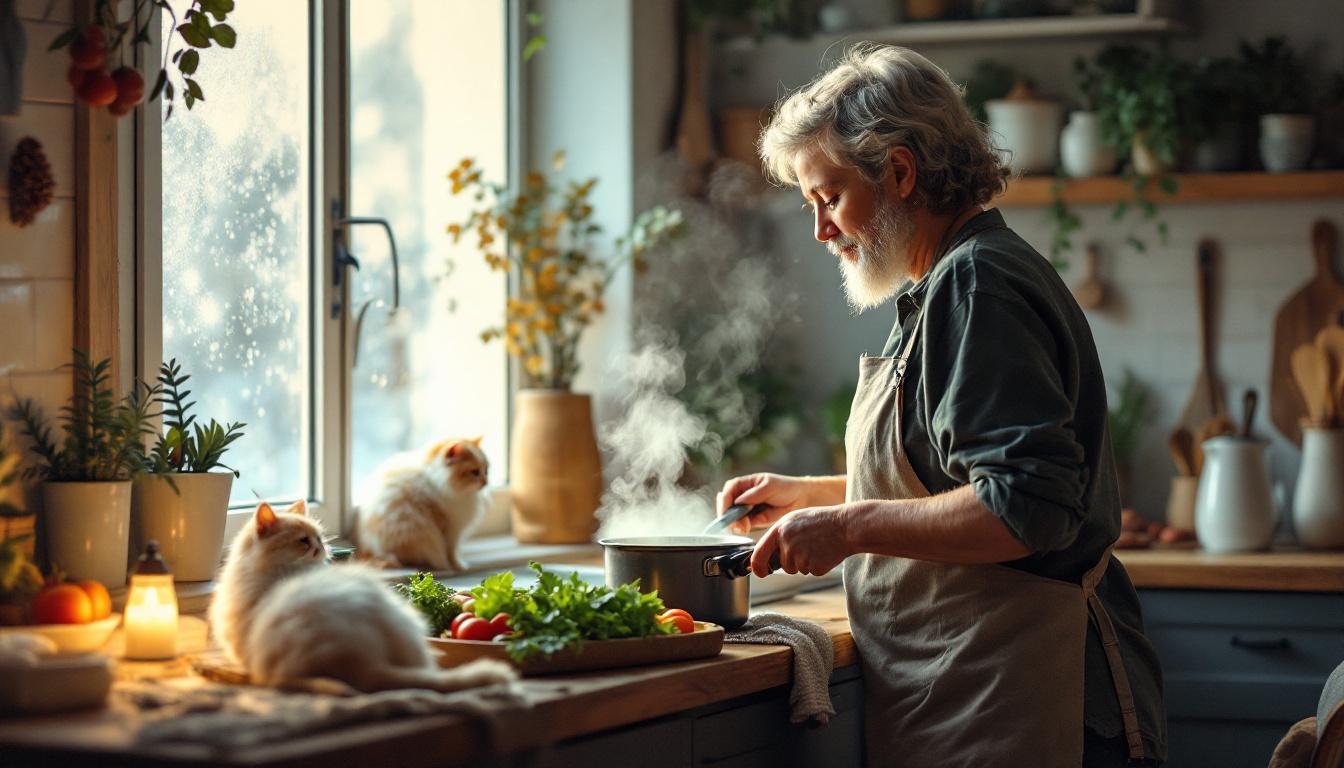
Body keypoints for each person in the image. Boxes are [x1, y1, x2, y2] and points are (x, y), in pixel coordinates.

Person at [714, 44, 1166, 767]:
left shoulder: (976, 285)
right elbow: (951, 480)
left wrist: (848, 524)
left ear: (898, 172)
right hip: (985, 694)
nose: (821, 230)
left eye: (829, 198)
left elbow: (1025, 506)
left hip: (1033, 698)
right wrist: (815, 497)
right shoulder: (944, 282)